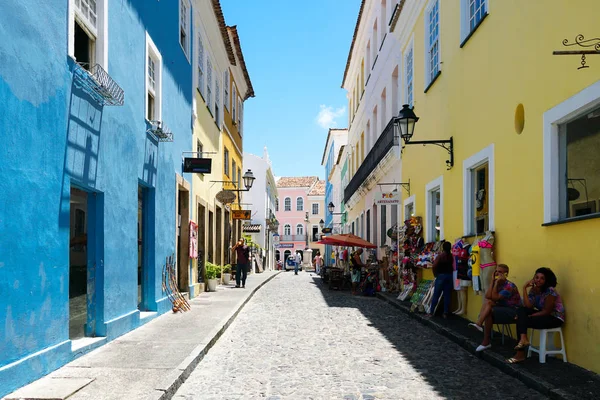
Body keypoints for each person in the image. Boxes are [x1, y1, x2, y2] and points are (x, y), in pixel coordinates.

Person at [507, 267, 565, 364]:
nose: (538, 280)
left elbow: (547, 311)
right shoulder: (534, 290)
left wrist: (530, 317)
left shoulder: (550, 291)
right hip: (542, 316)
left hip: (554, 318)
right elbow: (528, 306)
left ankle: (520, 353)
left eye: (542, 278)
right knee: (521, 311)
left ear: (547, 280)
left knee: (521, 319)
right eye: (537, 277)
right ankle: (523, 339)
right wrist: (524, 288)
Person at [469, 264, 521, 352]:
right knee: (488, 305)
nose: (497, 273)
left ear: (506, 274)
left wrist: (496, 283)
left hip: (513, 311)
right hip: (502, 309)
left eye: (500, 272)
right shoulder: (496, 282)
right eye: (496, 271)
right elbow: (488, 296)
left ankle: (482, 331)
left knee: (489, 306)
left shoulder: (509, 286)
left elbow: (495, 297)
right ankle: (483, 336)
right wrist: (493, 281)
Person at [426, 241, 454, 318]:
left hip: (441, 276)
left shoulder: (440, 256)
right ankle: (445, 312)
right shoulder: (451, 256)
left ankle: (431, 312)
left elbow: (434, 266)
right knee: (447, 295)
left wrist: (435, 274)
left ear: (443, 248)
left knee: (436, 295)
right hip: (449, 276)